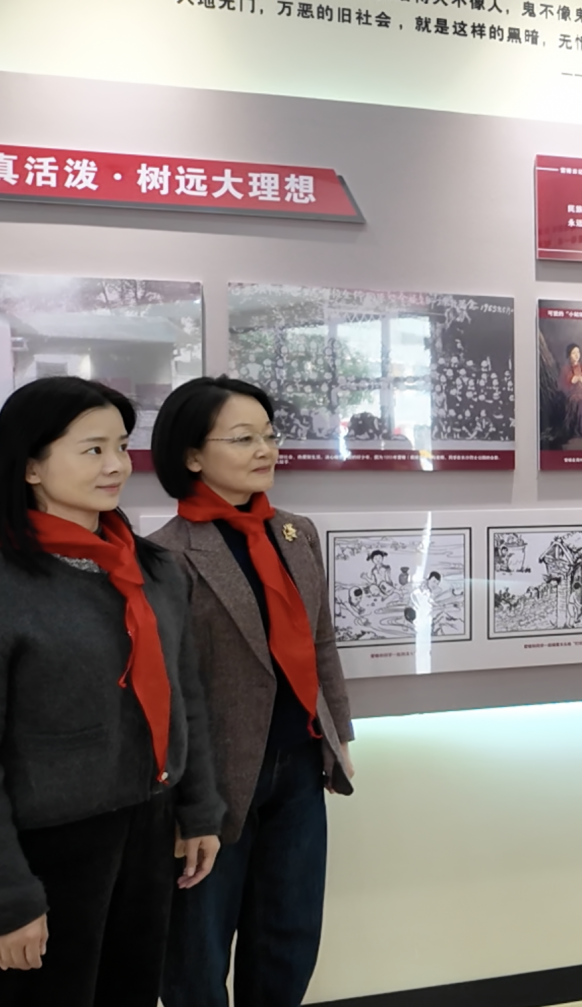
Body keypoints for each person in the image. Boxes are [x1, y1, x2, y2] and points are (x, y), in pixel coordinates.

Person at [0, 377, 223, 1007]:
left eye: (122, 446)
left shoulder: (154, 570)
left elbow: (183, 694)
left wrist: (198, 809)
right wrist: (4, 897)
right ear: (31, 466)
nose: (117, 465)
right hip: (44, 851)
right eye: (93, 449)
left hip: (147, 831)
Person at [148, 377, 357, 1007]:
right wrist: (186, 802)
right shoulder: (164, 556)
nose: (266, 450)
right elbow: (168, 691)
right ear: (191, 455)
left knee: (288, 939)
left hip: (298, 766)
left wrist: (339, 734)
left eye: (269, 435)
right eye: (243, 439)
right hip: (211, 782)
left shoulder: (296, 533)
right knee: (197, 952)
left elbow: (321, 640)